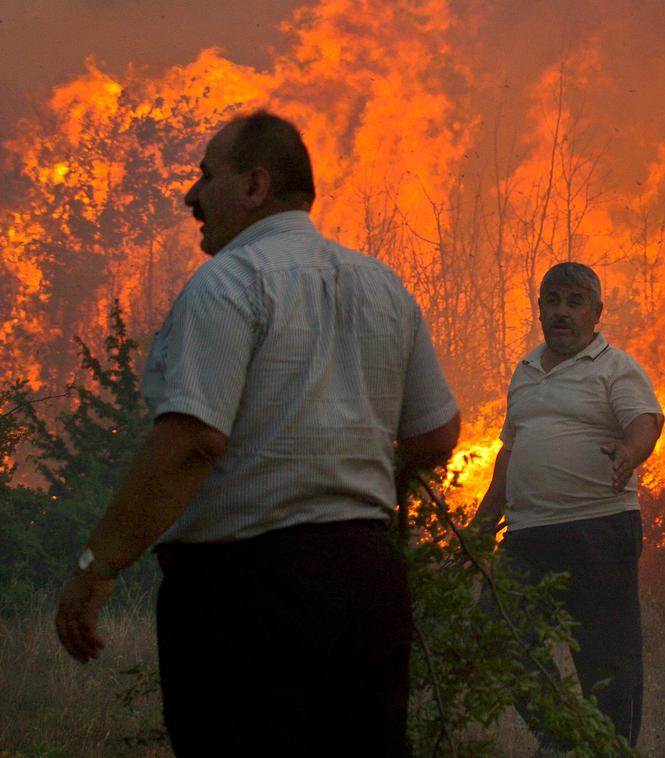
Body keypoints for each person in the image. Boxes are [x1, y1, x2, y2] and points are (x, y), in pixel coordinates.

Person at [54, 111, 460, 756]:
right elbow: (436, 436)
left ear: (253, 188)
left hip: (247, 596)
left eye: (206, 176)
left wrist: (97, 565)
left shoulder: (228, 283)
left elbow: (193, 441)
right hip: (367, 580)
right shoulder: (382, 285)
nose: (192, 196)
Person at [468, 261, 663, 752]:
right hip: (528, 533)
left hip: (599, 529)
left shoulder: (616, 366)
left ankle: (611, 749)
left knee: (608, 663)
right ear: (539, 309)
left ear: (596, 313)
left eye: (574, 302)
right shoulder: (526, 371)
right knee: (499, 633)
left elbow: (645, 421)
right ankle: (563, 739)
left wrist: (629, 452)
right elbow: (510, 452)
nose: (561, 312)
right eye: (552, 301)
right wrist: (483, 523)